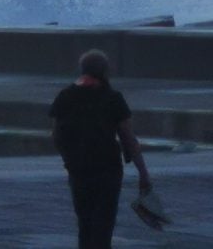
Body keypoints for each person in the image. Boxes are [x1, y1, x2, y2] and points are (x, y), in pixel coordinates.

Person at [50, 49, 151, 249]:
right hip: (108, 169)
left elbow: (56, 135)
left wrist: (68, 160)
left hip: (78, 169)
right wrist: (143, 173)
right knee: (103, 224)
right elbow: (128, 138)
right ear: (105, 71)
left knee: (85, 223)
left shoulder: (65, 95)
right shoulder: (112, 97)